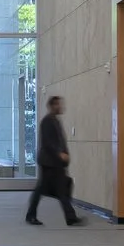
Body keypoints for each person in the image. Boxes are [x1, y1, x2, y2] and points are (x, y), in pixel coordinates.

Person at [25, 95, 82, 226]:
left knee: (62, 189)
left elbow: (60, 141)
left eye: (60, 104)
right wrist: (59, 154)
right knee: (42, 189)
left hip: (56, 163)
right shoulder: (47, 121)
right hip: (49, 162)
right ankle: (31, 215)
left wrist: (64, 156)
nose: (60, 107)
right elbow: (48, 143)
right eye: (57, 104)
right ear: (51, 106)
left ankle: (70, 217)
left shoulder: (55, 121)